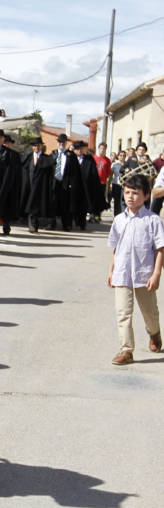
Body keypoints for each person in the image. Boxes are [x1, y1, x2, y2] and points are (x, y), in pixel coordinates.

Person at [106, 174, 164, 365]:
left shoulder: (153, 220)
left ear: (146, 196)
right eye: (127, 192)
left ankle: (154, 333)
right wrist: (111, 270)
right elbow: (116, 247)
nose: (130, 197)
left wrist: (156, 273)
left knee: (150, 313)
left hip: (144, 274)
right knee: (123, 313)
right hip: (122, 273)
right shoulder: (119, 220)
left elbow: (160, 249)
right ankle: (126, 350)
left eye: (135, 193)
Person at [21, 137, 54, 233]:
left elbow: (49, 174)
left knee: (37, 206)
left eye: (39, 145)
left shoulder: (46, 159)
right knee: (30, 205)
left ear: (42, 146)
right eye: (35, 145)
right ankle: (32, 225)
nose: (37, 147)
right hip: (30, 186)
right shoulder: (28, 157)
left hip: (41, 187)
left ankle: (35, 224)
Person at [50, 133, 82, 230]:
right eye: (60, 142)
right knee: (53, 203)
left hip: (65, 183)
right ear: (57, 143)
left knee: (65, 204)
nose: (61, 143)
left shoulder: (71, 155)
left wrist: (72, 183)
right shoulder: (53, 154)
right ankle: (51, 223)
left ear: (66, 143)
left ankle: (66, 224)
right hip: (55, 182)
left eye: (63, 142)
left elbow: (75, 172)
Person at [74, 141, 105, 223]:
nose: (79, 151)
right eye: (77, 149)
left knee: (84, 204)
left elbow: (94, 173)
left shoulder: (89, 159)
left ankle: (82, 222)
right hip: (74, 186)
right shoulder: (71, 158)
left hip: (86, 187)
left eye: (81, 149)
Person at [95, 142, 112, 217]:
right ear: (98, 149)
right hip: (94, 182)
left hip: (102, 182)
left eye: (104, 149)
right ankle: (92, 214)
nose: (102, 150)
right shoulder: (94, 158)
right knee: (93, 198)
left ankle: (98, 215)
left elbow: (108, 172)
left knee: (100, 199)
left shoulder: (107, 160)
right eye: (101, 148)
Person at [110, 150, 125, 216]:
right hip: (116, 183)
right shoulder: (114, 164)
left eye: (124, 156)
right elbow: (111, 174)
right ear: (118, 156)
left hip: (124, 185)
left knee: (123, 201)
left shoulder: (127, 164)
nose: (122, 157)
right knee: (116, 201)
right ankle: (116, 215)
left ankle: (123, 215)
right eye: (120, 155)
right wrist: (110, 183)